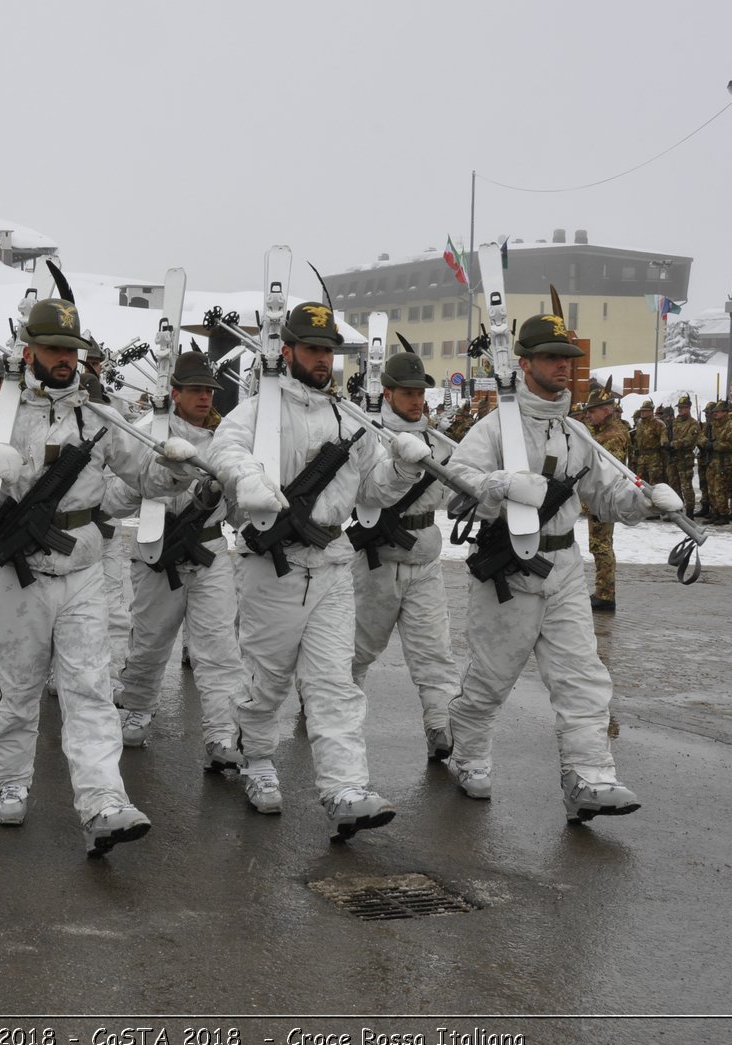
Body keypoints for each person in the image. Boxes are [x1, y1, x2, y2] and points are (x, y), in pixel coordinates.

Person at [0, 296, 197, 856]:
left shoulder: (99, 416)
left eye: (72, 350)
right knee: (15, 688)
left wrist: (175, 467)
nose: (64, 359)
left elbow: (145, 475)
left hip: (84, 568)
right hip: (16, 573)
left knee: (89, 688)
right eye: (53, 348)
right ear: (30, 350)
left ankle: (103, 801)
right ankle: (12, 781)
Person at [207, 301, 434, 838]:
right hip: (272, 567)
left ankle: (344, 788)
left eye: (328, 351)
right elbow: (225, 450)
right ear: (285, 351)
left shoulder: (347, 418)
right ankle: (258, 760)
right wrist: (246, 480)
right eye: (311, 349)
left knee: (335, 683)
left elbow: (374, 491)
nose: (320, 359)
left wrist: (400, 465)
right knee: (265, 682)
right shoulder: (257, 411)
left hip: (332, 564)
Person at [442, 313, 680, 822]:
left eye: (568, 360)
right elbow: (455, 487)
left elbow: (608, 497)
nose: (563, 369)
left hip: (565, 566)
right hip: (508, 568)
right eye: (551, 358)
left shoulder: (578, 435)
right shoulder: (494, 429)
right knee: (491, 678)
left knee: (582, 678)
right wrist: (500, 486)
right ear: (523, 362)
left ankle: (589, 776)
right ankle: (468, 755)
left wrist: (648, 502)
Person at [106, 352, 243, 770]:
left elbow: (239, 509)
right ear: (175, 393)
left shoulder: (229, 438)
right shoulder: (144, 434)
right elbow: (112, 498)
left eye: (209, 390)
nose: (205, 398)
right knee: (149, 643)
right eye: (196, 390)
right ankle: (137, 709)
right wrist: (151, 481)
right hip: (157, 549)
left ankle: (222, 734)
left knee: (219, 649)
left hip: (210, 551)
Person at [347, 349, 460, 761]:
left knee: (434, 653)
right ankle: (335, 715)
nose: (417, 400)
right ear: (389, 392)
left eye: (421, 392)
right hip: (376, 561)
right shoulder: (368, 435)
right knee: (357, 649)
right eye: (408, 392)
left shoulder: (438, 443)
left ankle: (440, 726)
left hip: (425, 558)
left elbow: (458, 490)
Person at [578, 378, 627, 611]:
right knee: (598, 545)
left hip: (604, 500)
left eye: (593, 411)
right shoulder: (602, 432)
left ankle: (606, 595)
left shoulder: (612, 436)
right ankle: (603, 590)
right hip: (598, 499)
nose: (588, 415)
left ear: (606, 411)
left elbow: (608, 471)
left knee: (601, 546)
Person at [668, 395, 704, 516]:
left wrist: (673, 444)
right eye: (679, 408)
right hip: (673, 457)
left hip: (685, 458)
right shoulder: (675, 422)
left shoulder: (693, 424)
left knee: (686, 487)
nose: (680, 410)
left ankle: (689, 512)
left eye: (683, 408)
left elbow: (689, 440)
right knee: (674, 485)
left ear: (689, 408)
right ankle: (677, 509)